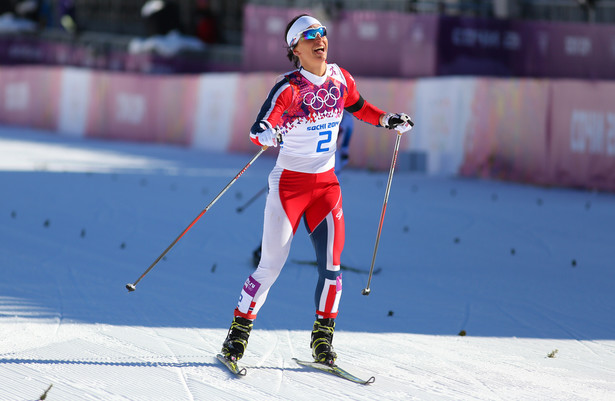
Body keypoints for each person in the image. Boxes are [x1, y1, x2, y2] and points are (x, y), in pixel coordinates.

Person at [221, 14, 413, 367]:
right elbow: (260, 127)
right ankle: (236, 337)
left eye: (322, 32)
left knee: (332, 268)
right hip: (289, 186)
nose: (319, 39)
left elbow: (360, 108)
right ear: (295, 48)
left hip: (326, 185)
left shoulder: (340, 78)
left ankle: (322, 341)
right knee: (270, 266)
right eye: (309, 35)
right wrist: (266, 134)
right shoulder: (289, 87)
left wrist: (388, 119)